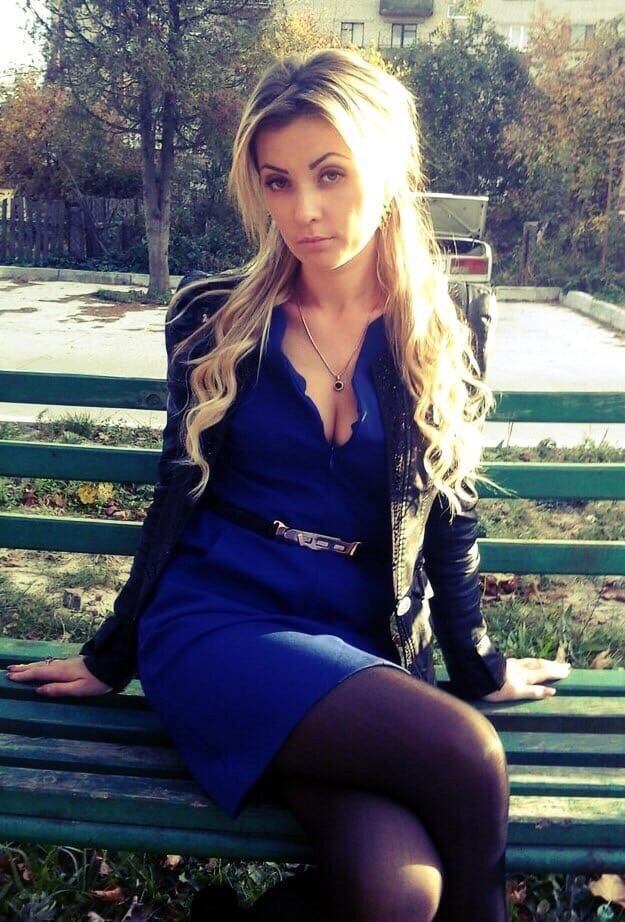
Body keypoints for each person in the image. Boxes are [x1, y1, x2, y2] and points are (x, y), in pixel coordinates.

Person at [7, 49, 569, 921]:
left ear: (385, 169)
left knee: (399, 893)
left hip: (358, 637)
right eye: (278, 182)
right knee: (467, 753)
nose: (303, 210)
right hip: (221, 623)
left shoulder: (443, 323)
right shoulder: (217, 319)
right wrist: (112, 654)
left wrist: (476, 661)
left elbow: (449, 504)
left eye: (330, 174)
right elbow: (174, 494)